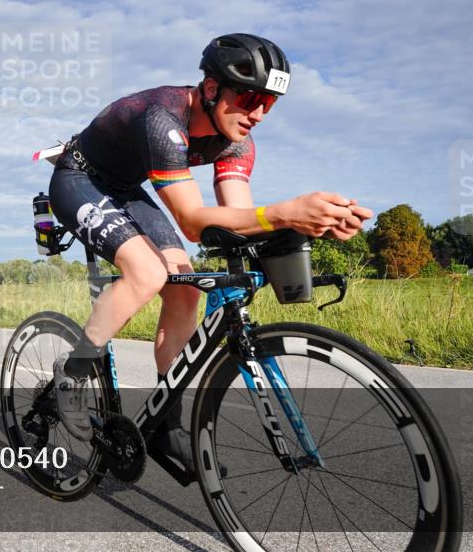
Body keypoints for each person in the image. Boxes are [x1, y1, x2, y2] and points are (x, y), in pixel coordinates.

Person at [48, 33, 373, 472]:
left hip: (126, 188)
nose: (258, 114)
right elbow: (193, 222)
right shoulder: (163, 117)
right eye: (251, 98)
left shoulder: (238, 140)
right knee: (145, 272)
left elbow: (239, 220)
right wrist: (286, 211)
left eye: (270, 103)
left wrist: (309, 224)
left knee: (185, 287)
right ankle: (72, 374)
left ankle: (164, 425)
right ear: (213, 88)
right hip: (79, 178)